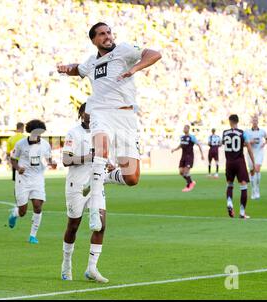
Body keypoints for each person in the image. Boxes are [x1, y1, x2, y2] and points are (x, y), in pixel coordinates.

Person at [57, 22, 161, 232]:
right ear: (94, 40)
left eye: (109, 32)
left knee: (131, 177)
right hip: (101, 113)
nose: (108, 36)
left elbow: (154, 54)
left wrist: (134, 68)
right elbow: (79, 69)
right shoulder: (91, 63)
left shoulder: (123, 50)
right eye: (102, 34)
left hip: (125, 117)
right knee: (101, 151)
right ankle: (95, 209)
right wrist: (67, 68)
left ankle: (101, 178)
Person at [61, 103, 109, 283]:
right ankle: (66, 263)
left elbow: (104, 156)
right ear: (81, 113)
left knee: (101, 225)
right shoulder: (73, 133)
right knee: (73, 226)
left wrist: (108, 163)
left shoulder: (102, 133)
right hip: (77, 185)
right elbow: (66, 159)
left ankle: (92, 268)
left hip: (96, 185)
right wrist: (88, 158)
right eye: (89, 110)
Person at [7, 120, 57, 244]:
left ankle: (32, 235)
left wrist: (52, 163)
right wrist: (18, 168)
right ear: (31, 132)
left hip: (38, 178)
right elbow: (13, 159)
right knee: (23, 211)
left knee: (37, 205)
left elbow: (49, 158)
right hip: (23, 179)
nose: (39, 135)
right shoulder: (20, 144)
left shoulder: (45, 144)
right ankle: (15, 213)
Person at [222, 114, 255, 219]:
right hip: (239, 162)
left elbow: (227, 143)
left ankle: (229, 202)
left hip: (229, 162)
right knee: (244, 186)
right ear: (237, 121)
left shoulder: (225, 133)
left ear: (230, 121)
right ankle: (242, 212)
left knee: (229, 184)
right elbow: (249, 148)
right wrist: (253, 163)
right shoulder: (242, 133)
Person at [171, 125, 204, 192]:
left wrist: (202, 154)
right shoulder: (182, 137)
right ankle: (191, 182)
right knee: (181, 172)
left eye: (186, 128)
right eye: (184, 128)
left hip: (189, 156)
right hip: (183, 156)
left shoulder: (192, 137)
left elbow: (198, 145)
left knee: (186, 171)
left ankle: (188, 186)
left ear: (188, 129)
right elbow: (181, 145)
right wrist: (174, 149)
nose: (184, 129)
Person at [245, 116, 267, 199]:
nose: (255, 121)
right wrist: (250, 142)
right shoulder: (247, 132)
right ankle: (253, 190)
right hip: (250, 153)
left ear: (258, 121)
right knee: (252, 171)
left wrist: (264, 143)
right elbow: (243, 143)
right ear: (251, 121)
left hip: (259, 152)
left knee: (257, 169)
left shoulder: (262, 131)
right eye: (253, 120)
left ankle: (257, 189)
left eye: (256, 120)